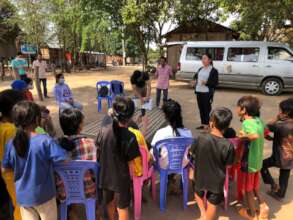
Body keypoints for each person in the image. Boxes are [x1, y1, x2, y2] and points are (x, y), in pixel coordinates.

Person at [1, 101, 68, 220]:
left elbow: (5, 168)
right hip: (44, 195)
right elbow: (63, 160)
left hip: (23, 197)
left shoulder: (11, 143)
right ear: (37, 119)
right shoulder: (45, 140)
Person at [96, 96, 141, 220]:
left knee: (109, 202)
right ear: (131, 117)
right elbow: (131, 164)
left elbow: (98, 152)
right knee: (122, 207)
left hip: (105, 175)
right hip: (122, 178)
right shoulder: (131, 137)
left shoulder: (103, 131)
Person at [190, 107, 234, 220]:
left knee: (197, 193)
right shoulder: (228, 145)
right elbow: (229, 165)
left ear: (211, 123)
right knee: (212, 202)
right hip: (217, 179)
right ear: (228, 126)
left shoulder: (200, 137)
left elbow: (191, 152)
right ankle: (206, 217)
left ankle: (202, 214)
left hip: (200, 175)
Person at [56, 108, 99, 219]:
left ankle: (71, 212)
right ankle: (95, 213)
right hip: (88, 190)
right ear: (79, 126)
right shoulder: (90, 143)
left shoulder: (55, 145)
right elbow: (95, 172)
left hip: (64, 191)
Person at [236, 96, 269, 220]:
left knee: (248, 190)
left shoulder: (247, 122)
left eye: (238, 107)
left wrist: (242, 137)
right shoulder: (258, 120)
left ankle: (252, 214)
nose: (237, 109)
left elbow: (254, 135)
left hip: (249, 162)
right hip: (257, 160)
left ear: (243, 110)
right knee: (255, 187)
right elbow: (264, 132)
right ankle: (263, 207)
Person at [261, 98, 293, 201]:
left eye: (280, 110)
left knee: (261, 165)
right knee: (285, 174)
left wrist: (276, 118)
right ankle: (280, 194)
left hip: (279, 156)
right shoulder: (287, 125)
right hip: (290, 157)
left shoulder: (280, 125)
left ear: (286, 113)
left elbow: (265, 127)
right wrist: (275, 138)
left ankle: (272, 183)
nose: (278, 112)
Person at [0, 89, 25, 220]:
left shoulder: (3, 126)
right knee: (20, 206)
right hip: (13, 173)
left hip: (6, 173)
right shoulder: (11, 130)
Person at [151, 99, 192, 169]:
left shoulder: (160, 133)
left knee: (150, 151)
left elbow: (154, 148)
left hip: (164, 165)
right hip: (183, 164)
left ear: (165, 116)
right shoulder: (188, 133)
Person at [192, 53, 218, 130]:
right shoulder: (200, 69)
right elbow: (195, 77)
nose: (203, 60)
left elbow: (215, 83)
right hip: (199, 91)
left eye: (205, 58)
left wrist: (206, 83)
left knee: (207, 110)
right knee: (201, 109)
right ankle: (203, 124)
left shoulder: (213, 70)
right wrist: (193, 82)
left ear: (209, 60)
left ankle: (208, 125)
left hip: (206, 93)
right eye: (202, 58)